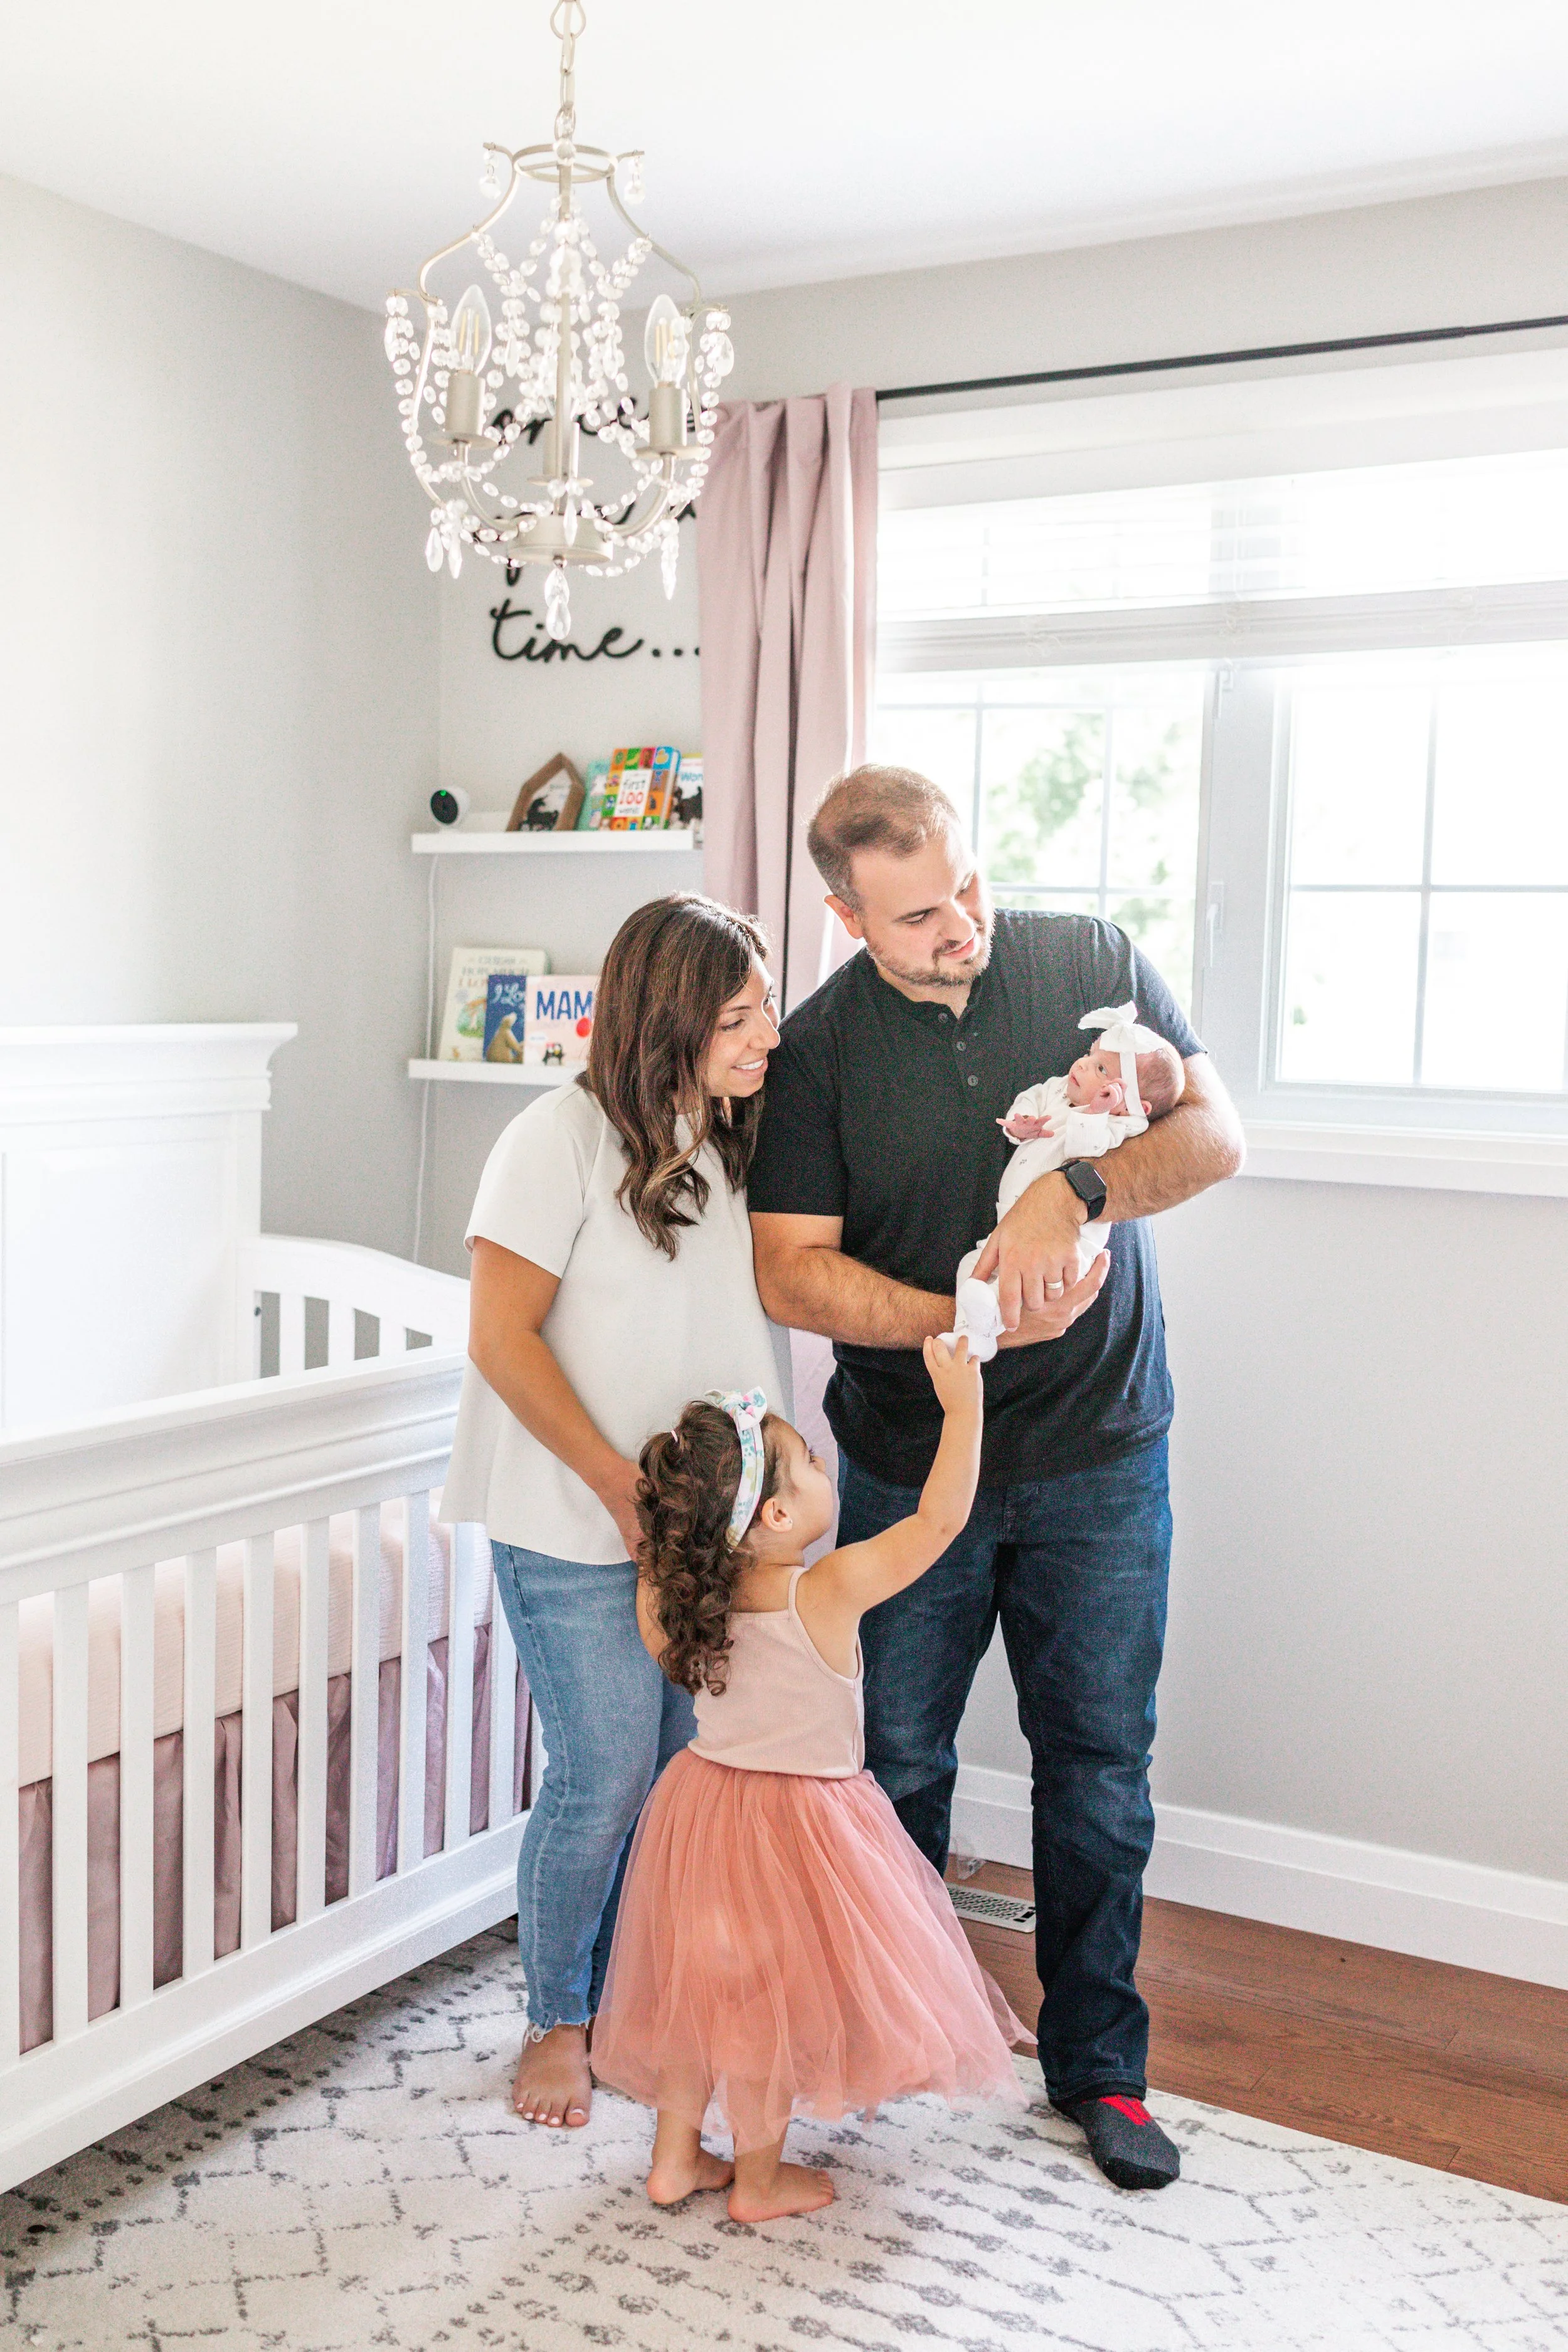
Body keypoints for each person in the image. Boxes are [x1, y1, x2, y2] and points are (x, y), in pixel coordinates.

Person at [747, 765, 1244, 2194]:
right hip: (912, 1464)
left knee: (1098, 1765)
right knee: (896, 1763)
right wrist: (958, 1318)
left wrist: (1072, 1189)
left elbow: (1215, 1132)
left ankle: (1099, 2063)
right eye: (917, 914)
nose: (962, 921)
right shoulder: (821, 1048)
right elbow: (789, 1264)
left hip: (1100, 1450)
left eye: (966, 885)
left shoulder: (1087, 957)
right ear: (848, 917)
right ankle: (893, 2033)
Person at [440, 894, 784, 2134]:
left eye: (766, 1008)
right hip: (569, 1513)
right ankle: (556, 2017)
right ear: (670, 1020)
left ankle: (636, 1998)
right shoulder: (555, 1139)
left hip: (702, 1525)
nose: (766, 1035)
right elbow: (498, 1337)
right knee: (601, 1777)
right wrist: (613, 1484)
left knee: (684, 1771)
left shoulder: (735, 1140)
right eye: (738, 1016)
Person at [591, 1345, 1029, 2224]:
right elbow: (939, 1522)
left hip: (701, 1815)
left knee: (700, 1994)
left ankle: (676, 2158)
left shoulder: (671, 1605)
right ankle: (757, 2180)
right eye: (813, 1461)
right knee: (764, 2010)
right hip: (803, 1833)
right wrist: (965, 1404)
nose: (828, 1465)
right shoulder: (823, 1592)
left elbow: (663, 1569)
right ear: (781, 1513)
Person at [949, 1004, 1187, 1362]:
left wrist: (1096, 1113)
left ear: (1132, 1105)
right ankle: (972, 1335)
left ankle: (989, 1319)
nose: (1082, 1066)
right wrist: (1019, 1123)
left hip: (1070, 1244)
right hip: (1011, 1224)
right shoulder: (1059, 1090)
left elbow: (1087, 1153)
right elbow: (1031, 1098)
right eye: (1090, 1055)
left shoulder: (1122, 1125)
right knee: (972, 1267)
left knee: (1026, 1287)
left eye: (1101, 1069)